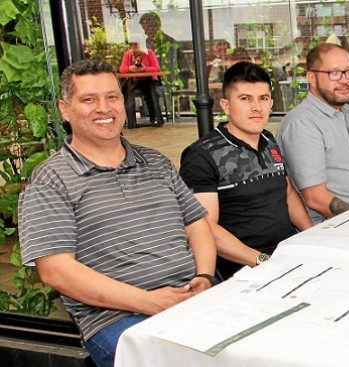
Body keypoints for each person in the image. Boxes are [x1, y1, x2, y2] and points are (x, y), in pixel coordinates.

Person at [18, 59, 217, 367]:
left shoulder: (156, 162)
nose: (104, 108)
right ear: (64, 109)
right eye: (89, 99)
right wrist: (150, 302)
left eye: (111, 97)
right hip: (119, 319)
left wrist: (204, 275)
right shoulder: (50, 180)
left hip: (192, 299)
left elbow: (196, 224)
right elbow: (56, 271)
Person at [179, 62, 313, 279]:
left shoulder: (269, 140)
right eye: (245, 99)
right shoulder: (202, 155)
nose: (256, 107)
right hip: (242, 269)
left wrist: (311, 236)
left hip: (288, 255)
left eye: (263, 98)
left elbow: (286, 192)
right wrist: (262, 260)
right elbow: (204, 228)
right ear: (225, 105)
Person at [277, 43, 349, 224]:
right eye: (334, 73)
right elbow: (316, 199)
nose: (344, 80)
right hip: (330, 229)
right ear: (312, 78)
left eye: (348, 72)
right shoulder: (302, 123)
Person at [119, 35, 164, 127]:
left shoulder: (149, 53)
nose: (136, 49)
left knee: (151, 94)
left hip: (148, 80)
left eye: (138, 45)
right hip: (134, 82)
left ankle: (155, 118)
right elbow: (122, 69)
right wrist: (130, 68)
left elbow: (156, 68)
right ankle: (131, 122)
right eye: (133, 46)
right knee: (128, 94)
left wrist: (144, 69)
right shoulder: (127, 55)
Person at [139, 12, 178, 84]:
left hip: (168, 81)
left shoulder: (169, 42)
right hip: (150, 81)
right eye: (144, 28)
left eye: (149, 27)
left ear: (156, 25)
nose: (146, 32)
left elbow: (173, 64)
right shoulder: (144, 43)